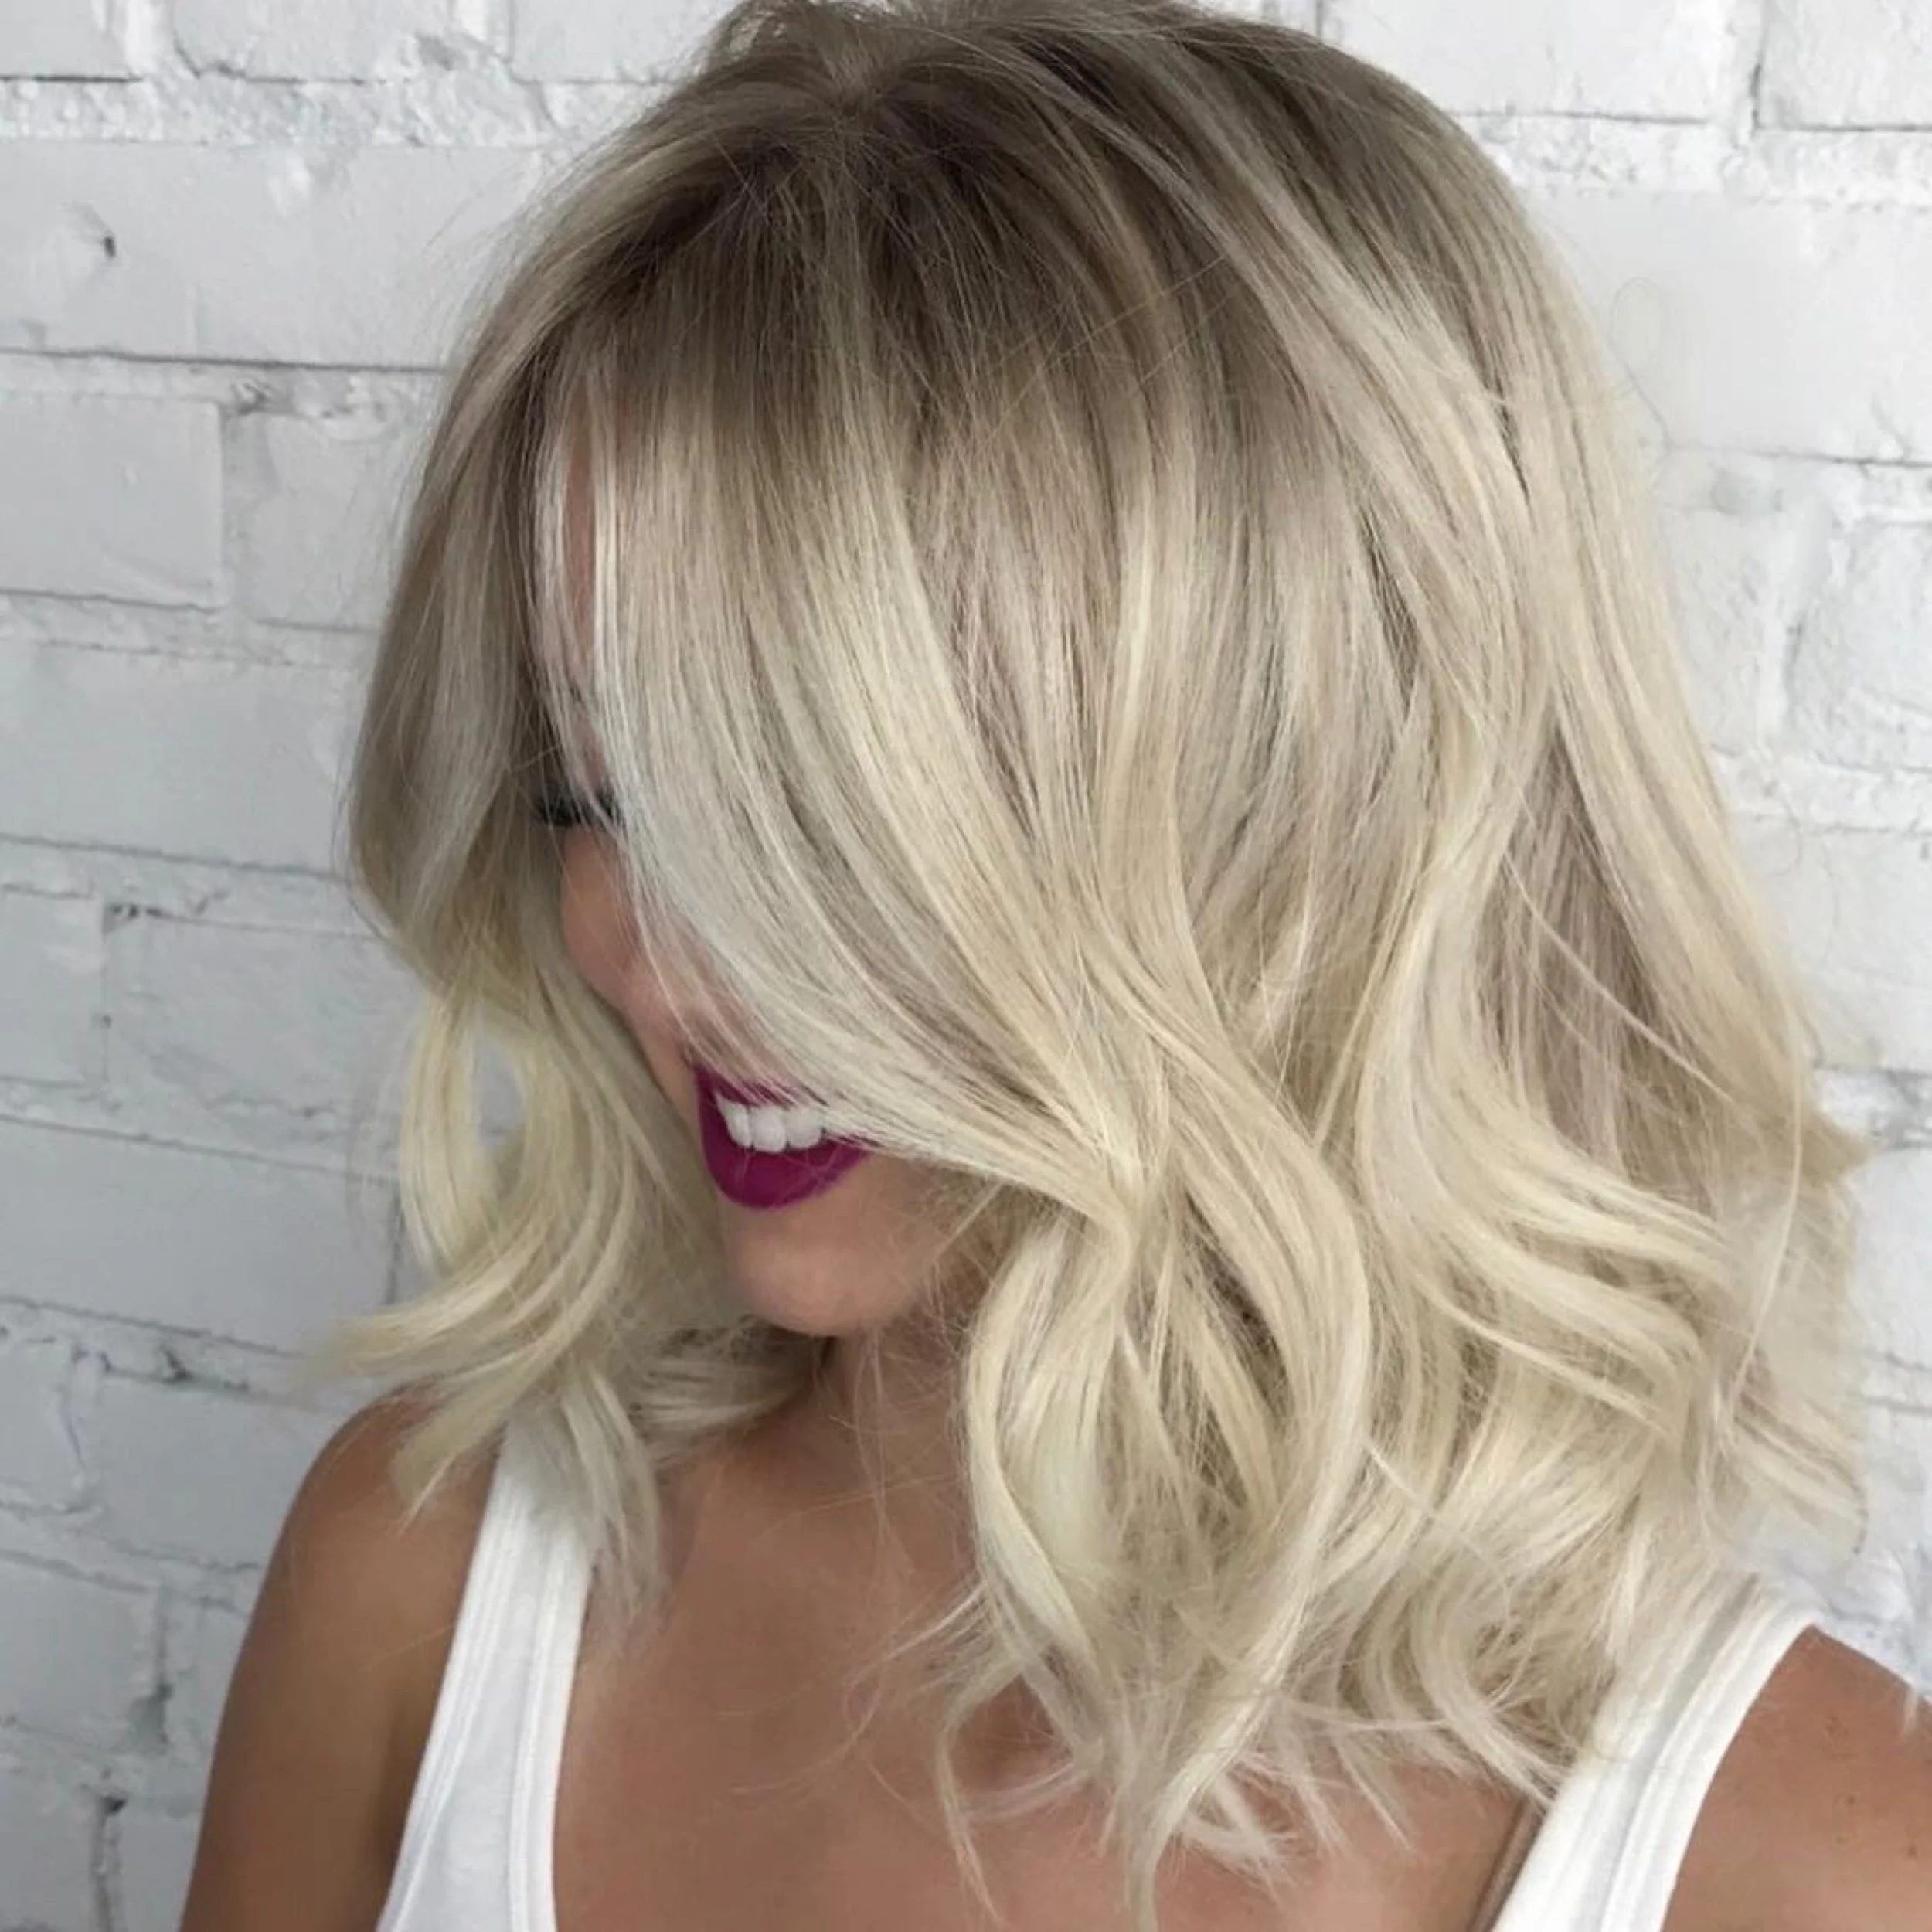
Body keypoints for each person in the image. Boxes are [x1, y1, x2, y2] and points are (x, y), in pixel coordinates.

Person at [179, 2, 1932, 1927]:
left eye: (842, 823)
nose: (666, 965)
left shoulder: (1804, 1859)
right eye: (602, 787)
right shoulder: (424, 1582)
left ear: (1317, 812)